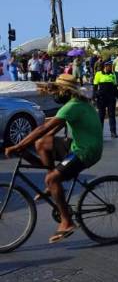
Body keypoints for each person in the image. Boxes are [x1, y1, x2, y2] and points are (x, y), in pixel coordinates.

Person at [4, 74, 103, 243]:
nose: (55, 94)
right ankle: (52, 186)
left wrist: (18, 146)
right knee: (43, 143)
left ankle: (67, 222)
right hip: (77, 145)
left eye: (58, 90)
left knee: (52, 178)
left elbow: (44, 127)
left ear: (66, 91)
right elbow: (52, 130)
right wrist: (39, 142)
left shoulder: (72, 107)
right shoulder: (77, 103)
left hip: (87, 151)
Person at [92, 61, 118, 139]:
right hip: (101, 98)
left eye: (110, 66)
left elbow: (115, 88)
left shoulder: (112, 75)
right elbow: (95, 87)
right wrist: (93, 97)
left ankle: (113, 132)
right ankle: (99, 133)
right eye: (109, 66)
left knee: (112, 115)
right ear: (105, 66)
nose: (110, 67)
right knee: (101, 116)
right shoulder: (98, 74)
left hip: (111, 98)